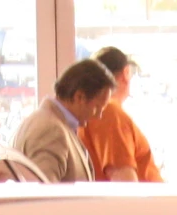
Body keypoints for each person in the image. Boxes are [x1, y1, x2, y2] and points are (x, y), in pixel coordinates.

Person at [15, 59, 115, 183]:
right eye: (97, 107)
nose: (99, 116)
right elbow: (46, 195)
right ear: (79, 97)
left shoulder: (49, 122)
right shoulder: (51, 130)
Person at [82, 47, 162, 183]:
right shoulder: (109, 112)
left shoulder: (93, 112)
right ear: (126, 73)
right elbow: (123, 181)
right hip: (144, 203)